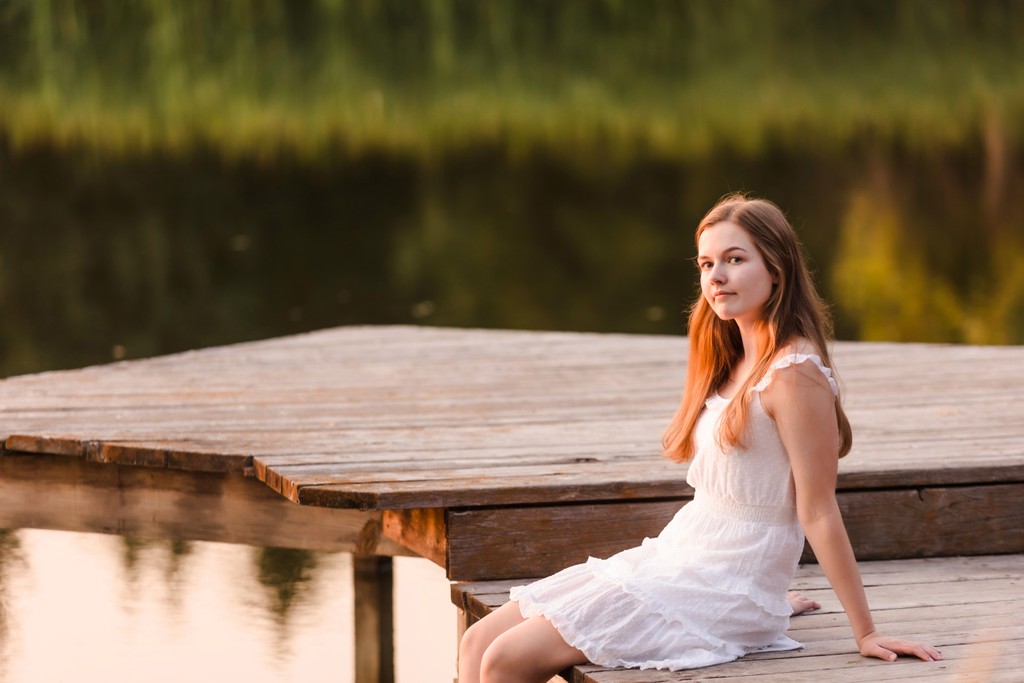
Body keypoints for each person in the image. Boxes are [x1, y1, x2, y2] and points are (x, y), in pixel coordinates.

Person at [457, 194, 943, 683]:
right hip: (683, 555)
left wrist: (864, 632)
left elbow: (817, 509)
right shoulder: (731, 356)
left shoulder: (794, 373)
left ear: (777, 269)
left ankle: (753, 608)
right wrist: (775, 599)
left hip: (725, 582)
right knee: (477, 641)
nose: (716, 276)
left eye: (735, 259)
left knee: (504, 661)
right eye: (707, 263)